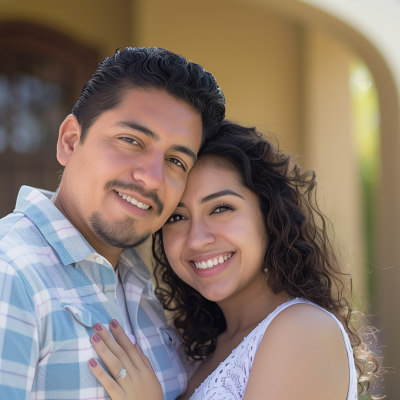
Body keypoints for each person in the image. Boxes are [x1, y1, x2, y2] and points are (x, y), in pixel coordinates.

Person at [88, 121, 381, 400]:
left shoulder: (305, 330)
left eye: (221, 208)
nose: (196, 239)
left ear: (269, 215)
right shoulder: (198, 349)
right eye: (177, 217)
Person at [0, 47, 225, 399]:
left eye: (176, 161)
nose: (151, 178)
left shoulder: (140, 283)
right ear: (71, 141)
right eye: (131, 141)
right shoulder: (11, 274)